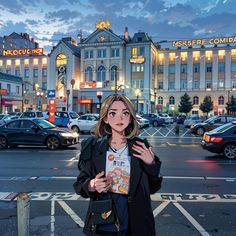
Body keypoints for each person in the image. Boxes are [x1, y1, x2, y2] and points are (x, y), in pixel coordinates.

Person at [74, 94, 162, 236]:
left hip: (137, 223)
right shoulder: (94, 148)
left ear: (130, 117)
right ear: (106, 118)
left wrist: (151, 164)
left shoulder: (141, 146)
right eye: (113, 113)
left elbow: (153, 188)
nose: (120, 118)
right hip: (104, 222)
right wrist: (93, 184)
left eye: (125, 113)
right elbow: (79, 185)